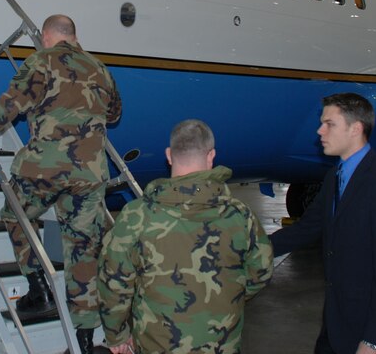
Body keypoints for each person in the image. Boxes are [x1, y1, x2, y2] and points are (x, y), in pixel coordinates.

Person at [0, 14, 121, 354]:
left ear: (47, 36)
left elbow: (11, 106)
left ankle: (38, 287)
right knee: (81, 250)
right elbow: (115, 114)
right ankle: (86, 341)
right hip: (90, 174)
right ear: (74, 37)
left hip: (46, 168)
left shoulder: (42, 60)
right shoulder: (100, 69)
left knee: (15, 213)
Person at [98, 119, 273, 354]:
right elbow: (261, 271)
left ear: (169, 155)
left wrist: (117, 335)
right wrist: (227, 298)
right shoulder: (240, 215)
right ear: (211, 156)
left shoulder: (137, 216)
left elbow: (114, 281)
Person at [270, 93, 376, 354]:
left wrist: (374, 340)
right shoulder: (335, 176)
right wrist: (251, 249)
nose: (319, 131)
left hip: (367, 333)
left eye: (329, 124)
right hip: (336, 325)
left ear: (355, 128)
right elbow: (307, 228)